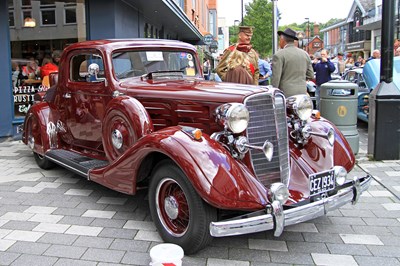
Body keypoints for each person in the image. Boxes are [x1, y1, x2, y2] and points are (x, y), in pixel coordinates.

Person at [271, 27, 314, 97]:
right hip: (302, 92)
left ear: (282, 40)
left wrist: (272, 94)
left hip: (286, 93)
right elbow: (311, 75)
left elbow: (276, 79)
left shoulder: (279, 55)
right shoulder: (305, 54)